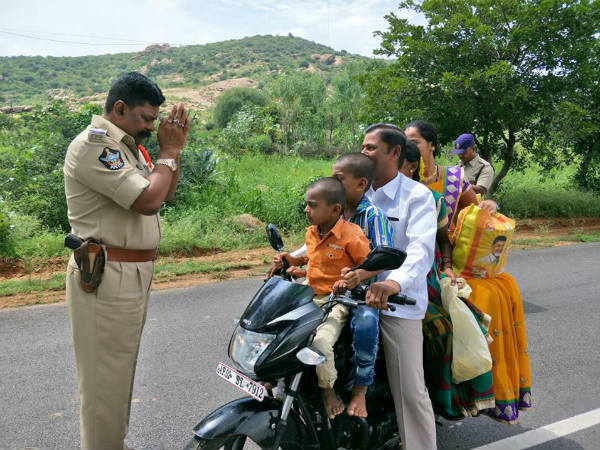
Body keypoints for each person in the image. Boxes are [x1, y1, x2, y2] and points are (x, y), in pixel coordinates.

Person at [63, 72, 189, 450]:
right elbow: (147, 200)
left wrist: (173, 153)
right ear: (119, 108)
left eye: (155, 120)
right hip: (107, 273)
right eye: (146, 118)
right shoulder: (96, 146)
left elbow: (164, 193)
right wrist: (168, 153)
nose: (152, 126)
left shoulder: (127, 146)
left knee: (119, 374)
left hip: (128, 272)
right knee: (104, 382)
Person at [404, 120, 531, 424]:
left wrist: (488, 206)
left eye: (415, 141)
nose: (409, 146)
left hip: (445, 258)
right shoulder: (396, 177)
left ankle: (462, 394)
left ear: (431, 145)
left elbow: (473, 215)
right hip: (411, 261)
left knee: (466, 318)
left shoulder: (453, 180)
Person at [274, 154, 394, 419]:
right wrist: (295, 263)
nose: (333, 181)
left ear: (360, 184)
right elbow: (317, 254)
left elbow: (377, 261)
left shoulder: (370, 217)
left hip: (358, 291)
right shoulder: (316, 226)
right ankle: (277, 378)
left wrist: (353, 276)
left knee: (364, 326)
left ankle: (359, 388)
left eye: (338, 178)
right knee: (277, 323)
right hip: (315, 292)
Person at [403, 139, 495, 420]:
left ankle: (439, 400)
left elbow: (469, 214)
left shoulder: (438, 191)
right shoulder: (369, 194)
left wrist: (446, 266)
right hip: (391, 274)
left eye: (414, 141)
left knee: (445, 328)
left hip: (428, 267)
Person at [361, 123, 438, 450]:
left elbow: (421, 250)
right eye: (362, 146)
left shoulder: (416, 196)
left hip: (396, 303)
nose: (363, 152)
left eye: (370, 147)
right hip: (353, 296)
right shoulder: (357, 188)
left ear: (394, 152)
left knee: (410, 391)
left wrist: (394, 282)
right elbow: (331, 231)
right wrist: (295, 258)